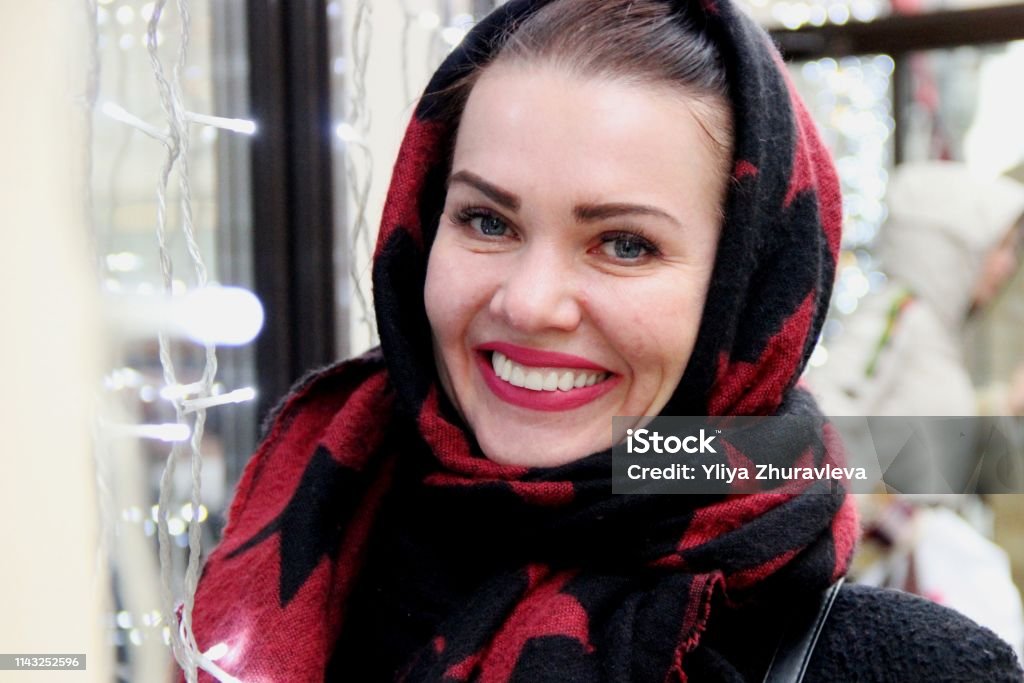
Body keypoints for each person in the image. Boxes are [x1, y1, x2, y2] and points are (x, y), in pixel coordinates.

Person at [183, 1, 1023, 681]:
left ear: (750, 289)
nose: (530, 301)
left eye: (625, 243)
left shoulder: (913, 667)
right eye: (486, 219)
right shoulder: (306, 534)